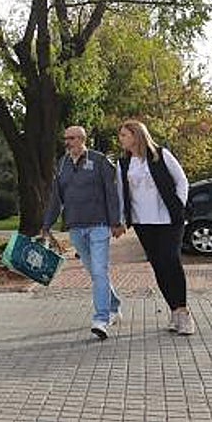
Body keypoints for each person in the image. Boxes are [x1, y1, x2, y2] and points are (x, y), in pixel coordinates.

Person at [41, 125, 126, 339]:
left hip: (99, 226)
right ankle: (114, 303)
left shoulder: (99, 161)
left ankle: (101, 319)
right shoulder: (62, 164)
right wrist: (46, 224)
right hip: (76, 227)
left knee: (99, 271)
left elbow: (112, 193)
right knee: (96, 272)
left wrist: (116, 221)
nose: (67, 142)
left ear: (82, 139)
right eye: (66, 139)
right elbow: (56, 197)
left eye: (71, 138)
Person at [116, 118, 194, 335]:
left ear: (136, 135)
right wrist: (122, 218)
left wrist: (178, 205)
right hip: (143, 222)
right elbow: (122, 194)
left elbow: (182, 181)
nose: (120, 139)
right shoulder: (123, 164)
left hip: (169, 220)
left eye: (124, 134)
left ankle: (184, 312)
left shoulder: (161, 155)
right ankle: (173, 311)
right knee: (158, 265)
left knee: (171, 260)